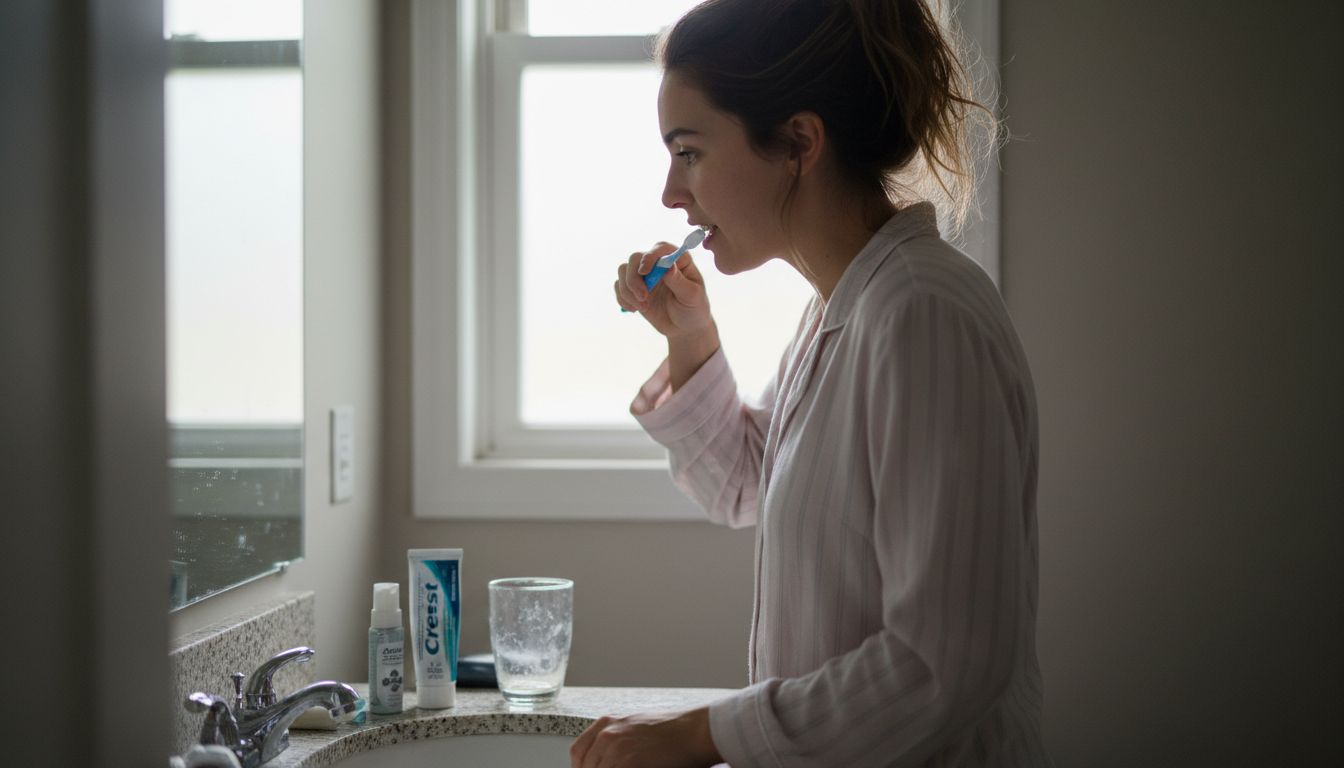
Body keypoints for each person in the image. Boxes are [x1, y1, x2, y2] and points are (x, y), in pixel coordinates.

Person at [573, 0, 1050, 765]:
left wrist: (706, 732)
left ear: (798, 142)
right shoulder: (843, 308)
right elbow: (748, 484)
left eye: (689, 152)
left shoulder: (920, 315)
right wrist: (692, 339)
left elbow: (944, 662)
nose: (670, 192)